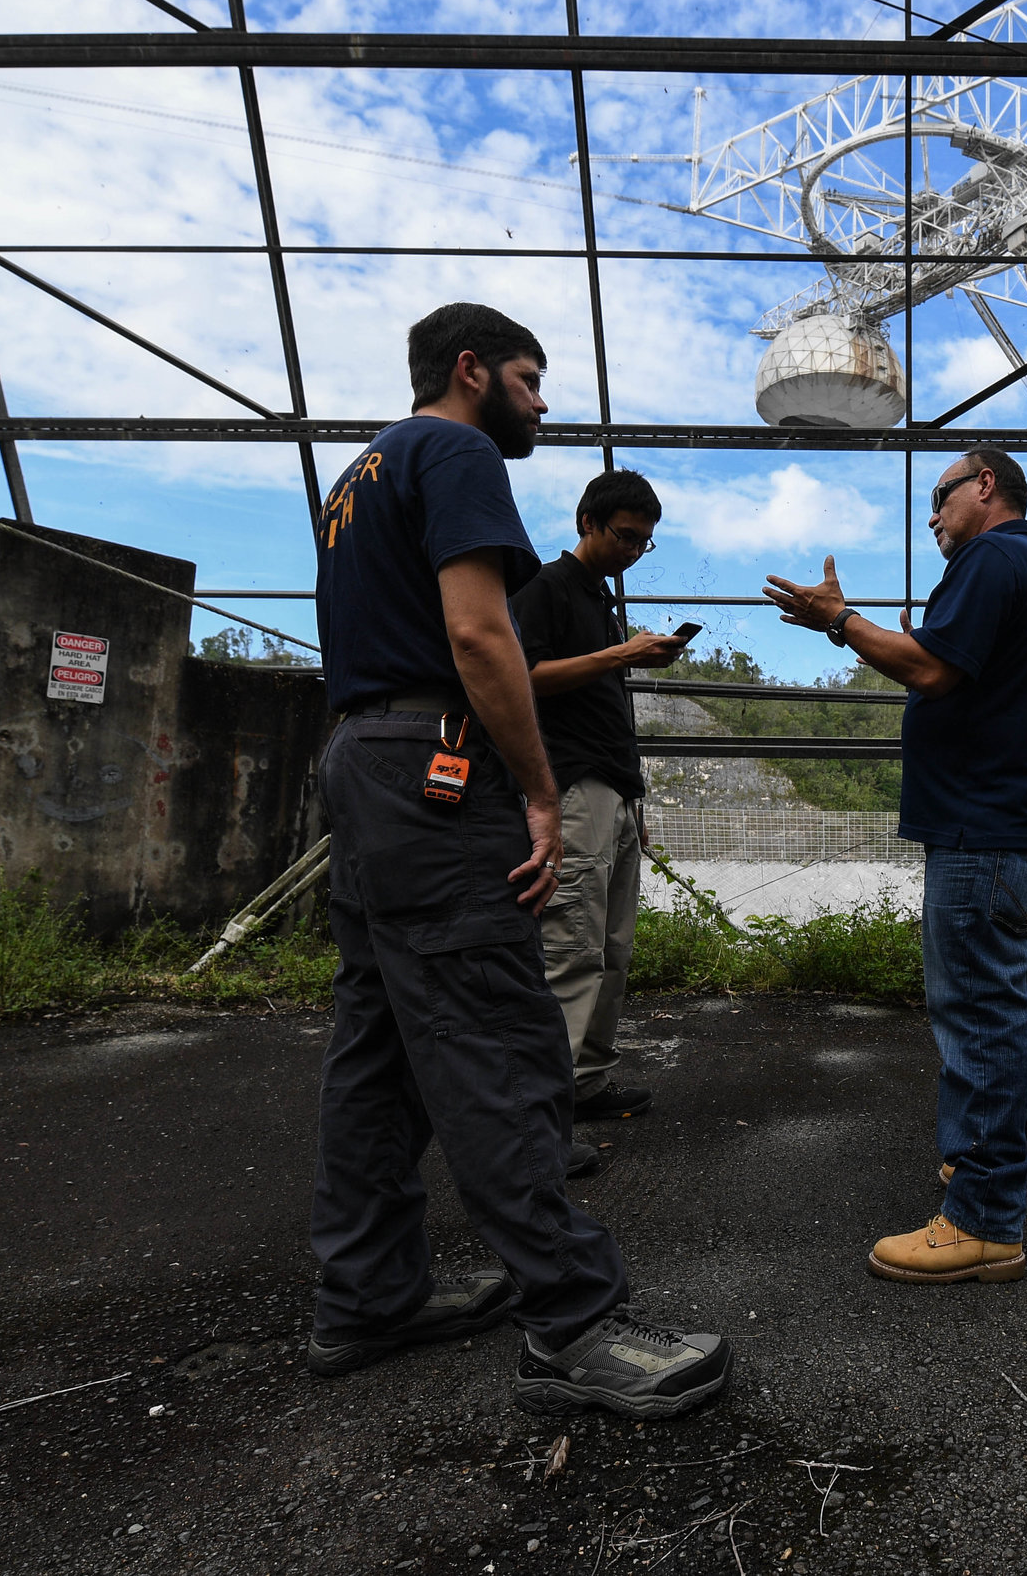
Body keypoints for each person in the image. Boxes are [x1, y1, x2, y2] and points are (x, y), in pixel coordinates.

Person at [306, 300, 729, 1419]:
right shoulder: (452, 448)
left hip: (361, 753)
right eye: (530, 380)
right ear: (469, 370)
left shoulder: (356, 476)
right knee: (501, 1034)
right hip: (435, 763)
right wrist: (538, 790)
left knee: (381, 1043)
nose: (541, 401)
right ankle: (572, 1319)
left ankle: (369, 1292)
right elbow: (481, 634)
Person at [763, 449, 1027, 1284]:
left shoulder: (992, 558)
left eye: (938, 497)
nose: (931, 515)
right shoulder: (1023, 565)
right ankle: (1026, 1167)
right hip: (1009, 824)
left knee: (977, 1012)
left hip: (983, 828)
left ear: (983, 487)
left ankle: (982, 1216)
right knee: (1009, 1003)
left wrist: (841, 621)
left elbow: (930, 668)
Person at [510, 470, 687, 1121]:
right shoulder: (545, 586)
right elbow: (523, 676)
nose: (633, 552)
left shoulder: (600, 604)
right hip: (573, 784)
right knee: (572, 947)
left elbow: (607, 705)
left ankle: (586, 1083)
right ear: (587, 521)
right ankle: (544, 1111)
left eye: (645, 542)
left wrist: (633, 801)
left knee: (613, 948)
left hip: (612, 789)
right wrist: (619, 656)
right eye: (625, 535)